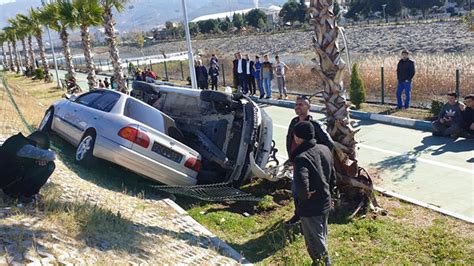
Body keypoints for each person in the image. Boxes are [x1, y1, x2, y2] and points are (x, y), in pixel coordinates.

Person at [290, 121, 335, 266]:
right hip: (325, 200)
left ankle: (323, 264)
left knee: (314, 242)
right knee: (321, 236)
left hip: (310, 208)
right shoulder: (324, 149)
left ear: (298, 138)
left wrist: (304, 196)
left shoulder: (301, 158)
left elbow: (302, 184)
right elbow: (332, 176)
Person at [286, 95, 335, 225]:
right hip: (297, 162)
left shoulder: (315, 125)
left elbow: (329, 144)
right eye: (296, 104)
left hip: (310, 165)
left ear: (309, 107)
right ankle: (298, 215)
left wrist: (317, 156)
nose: (298, 107)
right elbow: (289, 140)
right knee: (296, 191)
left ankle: (311, 218)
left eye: (301, 104)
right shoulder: (294, 122)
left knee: (305, 191)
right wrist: (291, 157)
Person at [0, 131, 56, 204]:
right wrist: (41, 156)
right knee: (49, 165)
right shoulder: (26, 147)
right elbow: (52, 156)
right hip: (6, 184)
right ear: (38, 144)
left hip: (5, 176)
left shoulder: (15, 139)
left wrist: (38, 158)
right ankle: (26, 195)